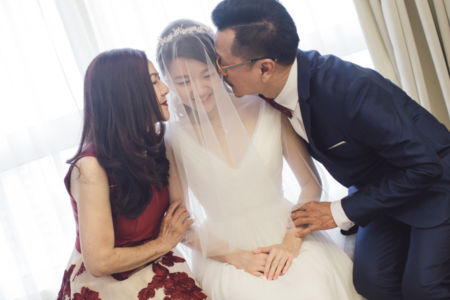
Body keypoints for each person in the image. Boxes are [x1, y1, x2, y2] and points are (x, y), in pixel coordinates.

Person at [211, 0, 450, 299]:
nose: (219, 71)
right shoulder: (272, 88)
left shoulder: (351, 90)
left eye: (224, 63)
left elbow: (425, 167)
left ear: (265, 68)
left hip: (434, 184)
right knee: (371, 283)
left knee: (423, 288)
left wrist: (339, 211)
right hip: (377, 190)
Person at [157, 19, 363, 300]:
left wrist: (291, 240)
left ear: (221, 66)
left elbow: (309, 184)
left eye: (206, 75)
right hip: (224, 250)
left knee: (313, 288)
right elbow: (180, 225)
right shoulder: (173, 138)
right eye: (183, 82)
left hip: (286, 230)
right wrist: (235, 256)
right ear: (168, 83)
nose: (198, 89)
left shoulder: (266, 107)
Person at [57, 49, 207, 300]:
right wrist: (162, 244)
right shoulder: (91, 168)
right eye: (154, 82)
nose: (166, 89)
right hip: (108, 285)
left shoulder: (159, 144)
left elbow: (180, 222)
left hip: (157, 264)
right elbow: (100, 262)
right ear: (125, 95)